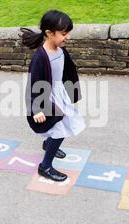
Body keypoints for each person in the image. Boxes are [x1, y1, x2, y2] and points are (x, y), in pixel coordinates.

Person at [20, 9, 85, 182]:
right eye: (64, 34)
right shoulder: (41, 57)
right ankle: (45, 166)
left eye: (68, 33)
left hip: (60, 94)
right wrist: (37, 109)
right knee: (60, 129)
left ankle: (48, 144)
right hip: (47, 98)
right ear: (49, 33)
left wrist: (73, 93)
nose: (67, 37)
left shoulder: (61, 51)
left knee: (62, 124)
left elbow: (68, 73)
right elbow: (34, 84)